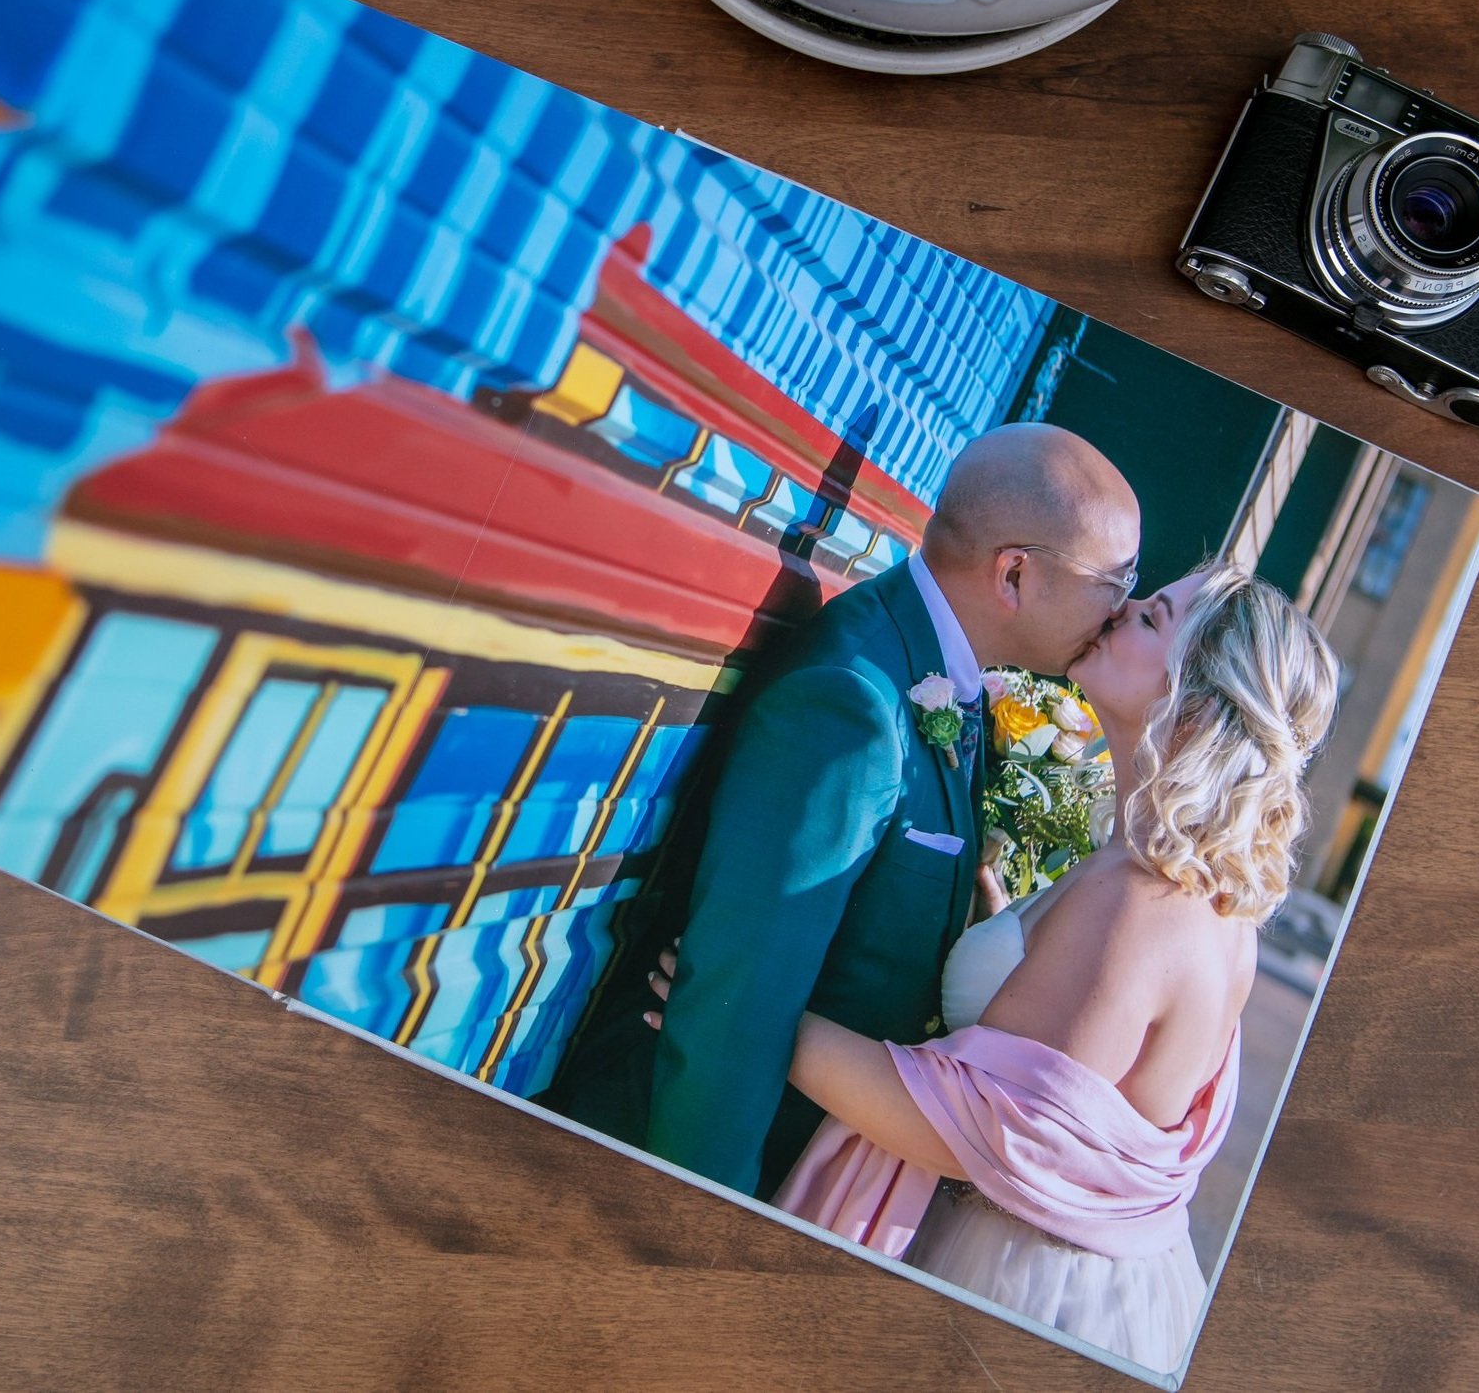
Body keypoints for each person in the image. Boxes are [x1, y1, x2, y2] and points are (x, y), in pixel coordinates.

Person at [646, 562, 1339, 1376]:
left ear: (1194, 707)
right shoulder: (1202, 896)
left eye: (1153, 618)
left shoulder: (1139, 901)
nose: (1121, 610)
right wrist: (1004, 919)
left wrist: (747, 1008)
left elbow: (971, 1129)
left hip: (1017, 1289)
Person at [541, 422, 1142, 1201]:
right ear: (1015, 574)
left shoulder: (942, 674)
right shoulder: (853, 701)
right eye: (1115, 580)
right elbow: (740, 995)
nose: (1123, 607)